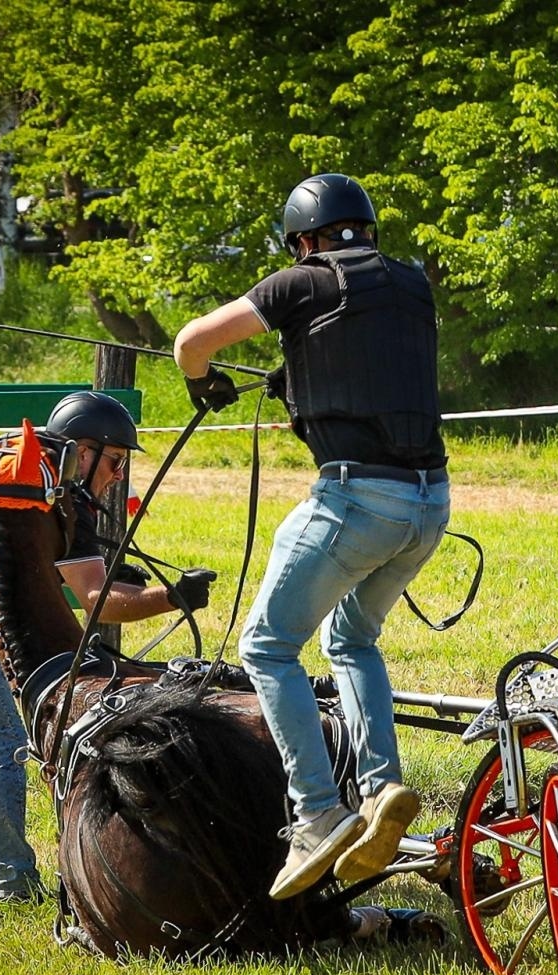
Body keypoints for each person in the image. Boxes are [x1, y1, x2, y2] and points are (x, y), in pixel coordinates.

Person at [173, 173, 449, 900]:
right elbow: (367, 359)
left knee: (267, 645)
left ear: (303, 241)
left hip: (359, 499)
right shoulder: (412, 284)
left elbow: (192, 341)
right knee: (353, 640)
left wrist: (201, 382)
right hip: (432, 505)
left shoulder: (300, 283)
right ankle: (383, 790)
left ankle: (318, 814)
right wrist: (295, 370)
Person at [0, 391, 216, 901]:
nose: (116, 476)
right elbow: (98, 603)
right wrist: (172, 597)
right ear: (82, 452)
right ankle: (14, 883)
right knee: (2, 741)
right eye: (114, 461)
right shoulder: (51, 489)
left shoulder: (41, 477)